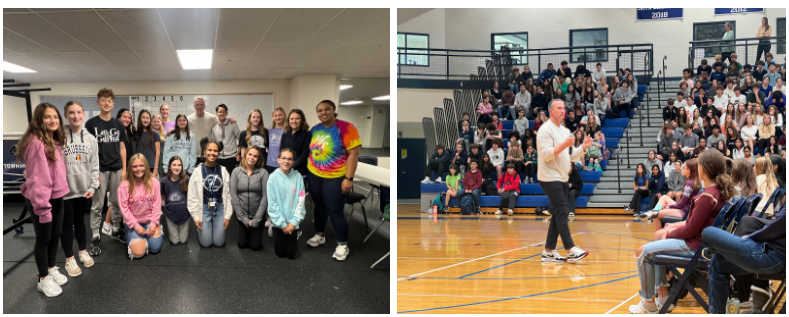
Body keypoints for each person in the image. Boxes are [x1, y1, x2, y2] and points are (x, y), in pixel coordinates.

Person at [629, 150, 731, 314]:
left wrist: (667, 234)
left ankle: (649, 303)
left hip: (695, 247)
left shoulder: (707, 196)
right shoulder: (716, 192)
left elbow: (690, 230)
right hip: (703, 245)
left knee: (644, 253)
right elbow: (694, 224)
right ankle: (662, 298)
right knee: (655, 246)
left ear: (705, 168)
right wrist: (669, 231)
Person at [17, 103, 70, 297]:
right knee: (43, 239)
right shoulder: (36, 142)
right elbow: (38, 180)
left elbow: (53, 172)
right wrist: (42, 209)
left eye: (55, 117)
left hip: (56, 196)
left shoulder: (53, 140)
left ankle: (50, 268)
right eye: (48, 117)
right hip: (41, 201)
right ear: (39, 119)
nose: (53, 120)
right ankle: (42, 278)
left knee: (55, 234)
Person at [536, 99, 592, 263]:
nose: (562, 110)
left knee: (556, 214)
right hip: (549, 176)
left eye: (563, 108)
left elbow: (569, 155)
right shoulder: (545, 130)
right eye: (558, 108)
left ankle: (548, 252)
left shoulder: (564, 131)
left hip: (561, 176)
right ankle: (571, 250)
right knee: (562, 212)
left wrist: (583, 147)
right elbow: (546, 154)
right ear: (550, 112)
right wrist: (564, 144)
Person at [305, 100, 361, 261]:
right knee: (319, 207)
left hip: (336, 176)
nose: (323, 112)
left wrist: (349, 178)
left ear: (334, 110)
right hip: (315, 174)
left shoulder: (346, 128)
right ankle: (320, 235)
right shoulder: (315, 129)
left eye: (327, 109)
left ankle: (343, 245)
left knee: (335, 211)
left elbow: (354, 154)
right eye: (320, 110)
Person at [85, 88, 129, 254]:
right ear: (98, 103)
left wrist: (124, 169)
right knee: (97, 204)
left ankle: (116, 229)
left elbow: (122, 147)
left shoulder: (118, 124)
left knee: (117, 202)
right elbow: (88, 149)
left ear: (113, 104)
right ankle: (95, 237)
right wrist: (93, 172)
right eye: (103, 100)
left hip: (117, 168)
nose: (106, 103)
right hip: (100, 169)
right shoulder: (91, 124)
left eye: (109, 100)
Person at [60, 101, 99, 277]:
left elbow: (94, 165)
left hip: (84, 190)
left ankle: (83, 251)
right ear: (66, 114)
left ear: (83, 114)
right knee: (66, 224)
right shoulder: (59, 136)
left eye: (78, 112)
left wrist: (93, 186)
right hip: (64, 191)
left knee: (81, 222)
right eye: (71, 113)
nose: (75, 116)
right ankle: (69, 259)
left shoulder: (90, 139)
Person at [188, 138, 233, 248]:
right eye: (210, 150)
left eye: (215, 151)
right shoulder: (197, 171)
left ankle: (214, 226)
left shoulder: (223, 171)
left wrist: (227, 216)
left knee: (219, 243)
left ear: (218, 153)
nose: (212, 153)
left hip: (220, 207)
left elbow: (229, 194)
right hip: (204, 208)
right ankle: (206, 228)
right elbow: (191, 196)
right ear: (204, 151)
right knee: (206, 243)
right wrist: (196, 217)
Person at [118, 154, 164, 260]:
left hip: (149, 220)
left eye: (141, 165)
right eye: (135, 166)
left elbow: (157, 205)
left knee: (155, 248)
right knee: (138, 253)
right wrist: (136, 226)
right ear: (130, 168)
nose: (138, 169)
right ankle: (134, 235)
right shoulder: (123, 186)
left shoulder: (154, 182)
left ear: (146, 166)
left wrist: (153, 223)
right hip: (133, 222)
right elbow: (124, 210)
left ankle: (155, 230)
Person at [267, 148, 306, 259]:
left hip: (292, 222)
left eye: (290, 159)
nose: (286, 161)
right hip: (278, 223)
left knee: (290, 254)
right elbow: (272, 203)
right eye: (283, 158)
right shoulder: (272, 177)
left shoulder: (298, 177)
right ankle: (272, 229)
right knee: (279, 253)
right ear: (278, 160)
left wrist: (294, 222)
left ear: (293, 162)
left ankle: (295, 232)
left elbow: (301, 200)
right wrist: (282, 224)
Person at [230, 145, 269, 251]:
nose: (252, 157)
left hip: (257, 215)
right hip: (241, 215)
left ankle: (254, 229)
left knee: (255, 246)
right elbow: (233, 196)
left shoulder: (263, 173)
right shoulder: (236, 172)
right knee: (242, 244)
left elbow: (265, 197)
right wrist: (243, 219)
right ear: (245, 155)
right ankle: (244, 227)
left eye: (255, 156)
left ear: (259, 158)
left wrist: (256, 219)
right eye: (250, 154)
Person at [161, 156, 191, 245]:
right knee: (175, 241)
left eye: (179, 165)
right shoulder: (164, 181)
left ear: (182, 167)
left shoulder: (186, 179)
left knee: (183, 240)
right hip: (170, 214)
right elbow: (163, 196)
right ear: (169, 166)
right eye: (174, 165)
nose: (177, 167)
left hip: (184, 214)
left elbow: (190, 196)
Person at [208, 104, 241, 174]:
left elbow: (240, 138)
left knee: (230, 180)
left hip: (231, 157)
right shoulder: (214, 128)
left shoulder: (233, 124)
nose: (222, 113)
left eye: (224, 112)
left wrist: (239, 153)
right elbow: (212, 143)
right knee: (219, 179)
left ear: (226, 113)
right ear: (217, 113)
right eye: (220, 112)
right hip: (218, 158)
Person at [280, 109, 312, 176]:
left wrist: (290, 167)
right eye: (291, 119)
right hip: (285, 170)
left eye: (297, 119)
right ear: (288, 120)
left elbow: (304, 156)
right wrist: (284, 166)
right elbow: (281, 152)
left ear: (302, 120)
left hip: (299, 172)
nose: (294, 121)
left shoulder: (307, 134)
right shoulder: (285, 134)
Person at [133, 110, 161, 175]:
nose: (145, 120)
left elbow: (157, 152)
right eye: (143, 117)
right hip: (138, 166)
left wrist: (156, 167)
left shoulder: (155, 133)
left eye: (147, 118)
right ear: (140, 119)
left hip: (151, 166)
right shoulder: (135, 134)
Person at [151, 114, 166, 178]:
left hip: (162, 162)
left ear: (161, 122)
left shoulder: (164, 135)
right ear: (151, 122)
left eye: (158, 121)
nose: (156, 123)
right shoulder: (149, 134)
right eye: (154, 121)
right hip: (153, 162)